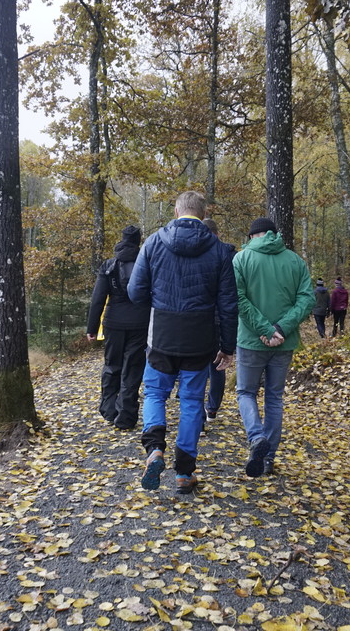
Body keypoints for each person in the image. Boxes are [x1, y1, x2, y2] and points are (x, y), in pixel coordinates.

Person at [127, 191, 237, 494]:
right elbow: (229, 305)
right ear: (203, 214)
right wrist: (228, 347)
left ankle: (154, 449)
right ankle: (185, 473)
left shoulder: (153, 243)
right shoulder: (219, 250)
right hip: (200, 338)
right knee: (191, 401)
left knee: (155, 393)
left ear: (176, 211)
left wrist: (158, 303)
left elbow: (135, 292)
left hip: (162, 334)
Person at [233, 217, 315, 477]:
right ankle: (268, 459)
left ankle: (256, 437)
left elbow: (238, 299)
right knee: (274, 398)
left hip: (250, 341)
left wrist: (265, 329)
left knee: (246, 392)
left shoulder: (241, 259)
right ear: (274, 234)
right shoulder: (295, 261)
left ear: (252, 236)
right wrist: (280, 328)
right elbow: (307, 299)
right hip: (283, 342)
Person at [86, 225, 151, 430]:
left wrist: (92, 328)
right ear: (139, 241)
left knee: (112, 365)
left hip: (113, 323)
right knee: (133, 368)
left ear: (122, 240)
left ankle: (109, 410)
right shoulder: (146, 263)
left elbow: (98, 299)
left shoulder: (109, 265)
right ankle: (126, 416)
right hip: (140, 323)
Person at [200, 218, 237, 430]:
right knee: (218, 365)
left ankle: (199, 413)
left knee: (198, 367)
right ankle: (212, 409)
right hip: (221, 319)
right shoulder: (230, 255)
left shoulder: (198, 253)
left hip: (200, 318)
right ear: (218, 233)